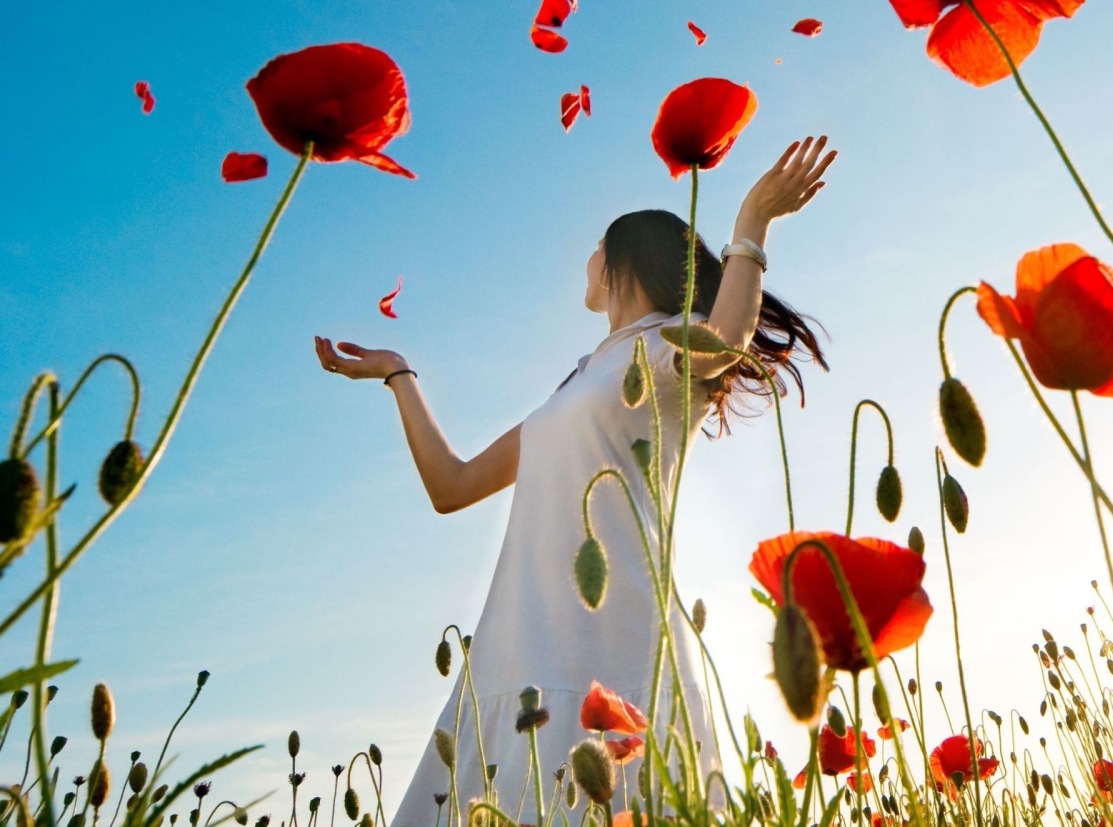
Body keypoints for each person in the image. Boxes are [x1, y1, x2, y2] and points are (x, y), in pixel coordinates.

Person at [313, 137, 836, 825]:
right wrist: (397, 375)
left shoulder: (669, 343)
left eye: (597, 247)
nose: (586, 261)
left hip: (611, 640)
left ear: (626, 260)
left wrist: (751, 224)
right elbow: (453, 484)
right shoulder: (577, 383)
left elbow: (728, 339)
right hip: (514, 644)